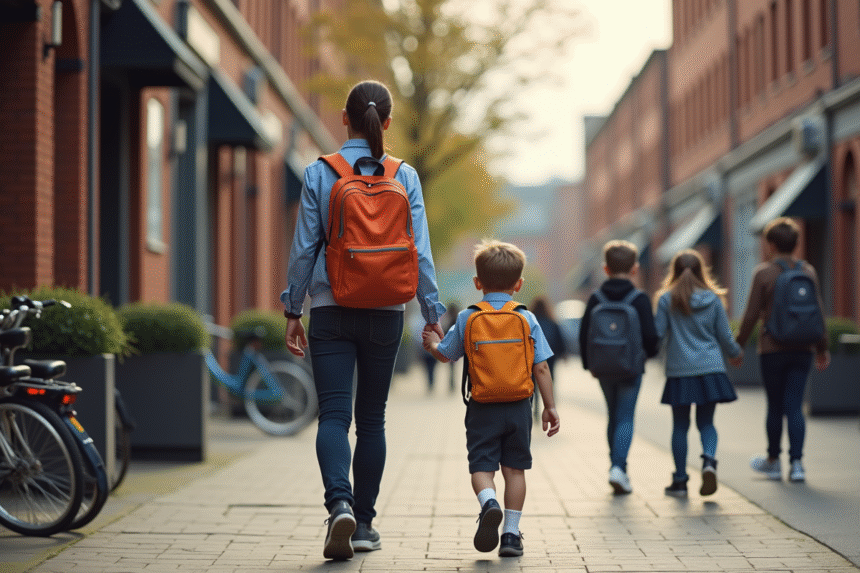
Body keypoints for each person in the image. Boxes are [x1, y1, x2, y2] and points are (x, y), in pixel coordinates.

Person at [281, 80, 446, 561]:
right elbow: (422, 253)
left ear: (346, 119)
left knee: (333, 414)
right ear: (387, 123)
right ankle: (365, 525)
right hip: (386, 313)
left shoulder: (320, 172)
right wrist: (432, 314)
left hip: (331, 309)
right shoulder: (405, 175)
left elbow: (304, 249)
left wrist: (293, 309)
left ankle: (339, 505)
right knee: (372, 420)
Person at [422, 239, 560, 557]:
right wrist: (550, 407)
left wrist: (431, 343)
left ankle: (489, 503)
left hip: (482, 406)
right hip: (518, 407)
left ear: (477, 282)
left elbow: (445, 356)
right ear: (519, 284)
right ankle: (511, 535)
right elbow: (541, 368)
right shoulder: (527, 318)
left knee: (481, 466)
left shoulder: (469, 318)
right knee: (515, 470)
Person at [736, 217, 829, 483]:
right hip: (803, 349)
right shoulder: (808, 271)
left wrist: (738, 347)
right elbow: (819, 313)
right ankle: (797, 464)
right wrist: (822, 348)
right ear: (797, 244)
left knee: (775, 406)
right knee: (795, 406)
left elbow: (751, 315)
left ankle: (773, 461)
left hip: (772, 349)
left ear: (771, 244)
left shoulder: (763, 273)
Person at [654, 249, 742, 497]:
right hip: (710, 369)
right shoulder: (713, 299)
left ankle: (680, 481)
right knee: (707, 423)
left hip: (680, 371)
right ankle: (709, 463)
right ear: (702, 270)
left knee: (680, 426)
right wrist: (736, 352)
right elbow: (725, 336)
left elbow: (658, 335)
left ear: (674, 271)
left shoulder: (666, 300)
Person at [578, 240, 660, 495]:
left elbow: (584, 335)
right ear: (635, 269)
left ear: (605, 268)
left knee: (612, 415)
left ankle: (615, 466)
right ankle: (619, 468)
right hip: (631, 367)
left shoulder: (595, 298)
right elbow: (651, 336)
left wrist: (588, 364)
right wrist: (648, 355)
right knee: (625, 416)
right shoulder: (639, 299)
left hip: (603, 368)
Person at [529, 295, 566, 417]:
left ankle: (535, 409)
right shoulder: (552, 321)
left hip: (533, 357)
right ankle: (549, 405)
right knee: (549, 380)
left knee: (534, 382)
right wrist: (563, 353)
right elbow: (559, 339)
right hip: (551, 357)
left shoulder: (531, 321)